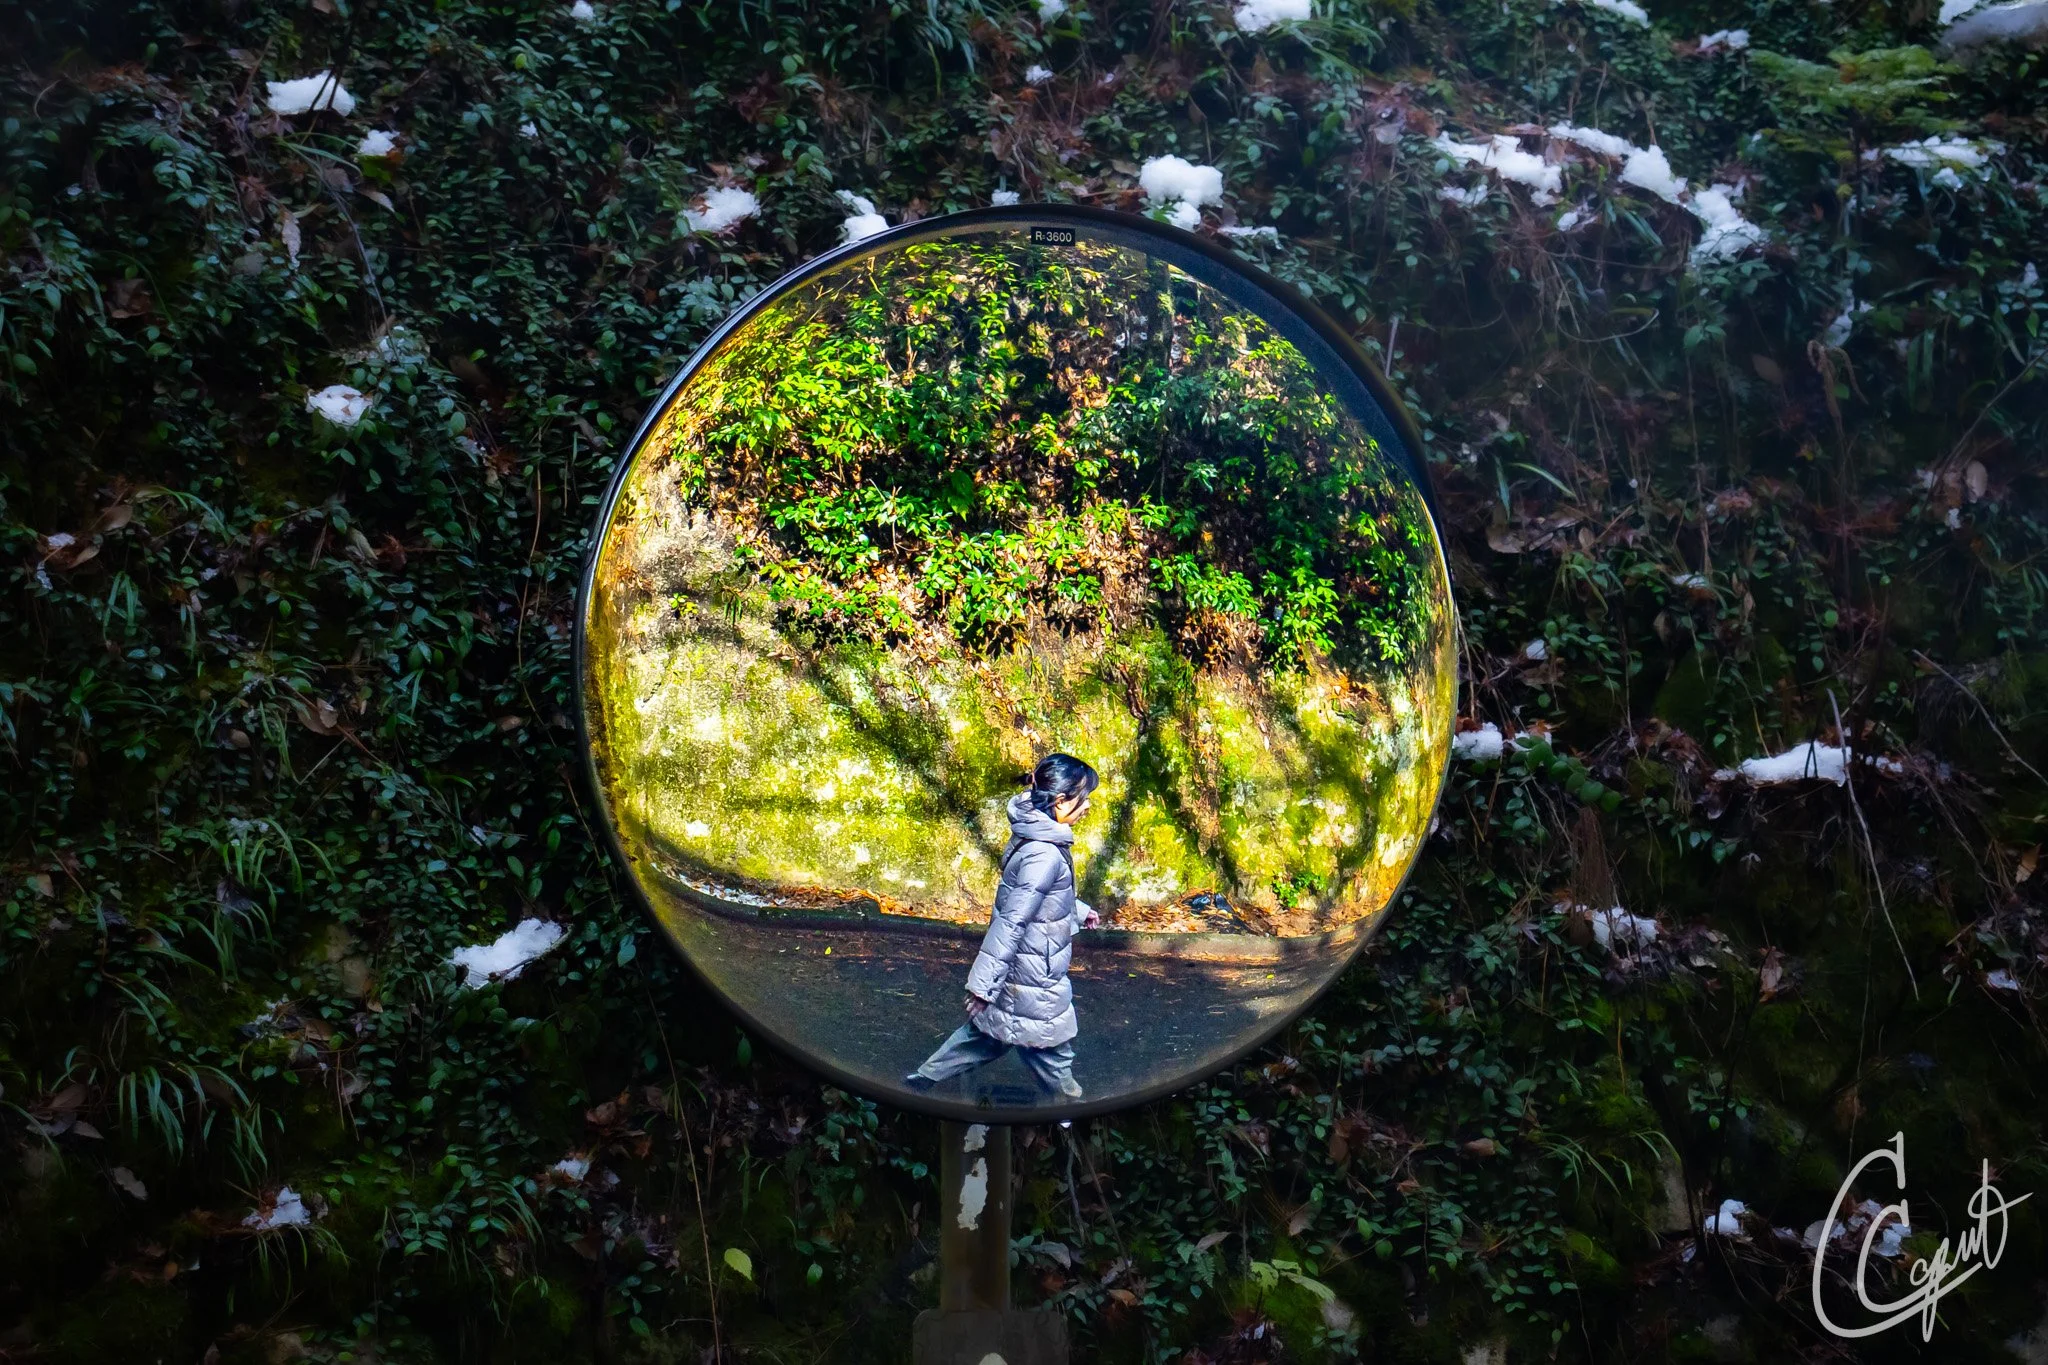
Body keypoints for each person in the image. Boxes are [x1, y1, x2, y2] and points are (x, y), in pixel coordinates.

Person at [905, 753, 1102, 1100]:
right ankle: (1072, 1109)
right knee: (1052, 1047)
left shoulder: (1036, 831)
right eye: (1083, 798)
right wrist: (982, 986)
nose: (1087, 807)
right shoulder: (1045, 854)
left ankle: (923, 1078)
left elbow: (1040, 897)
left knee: (984, 1038)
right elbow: (1012, 922)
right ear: (1059, 801)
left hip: (1021, 969)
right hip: (1033, 974)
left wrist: (1076, 910)